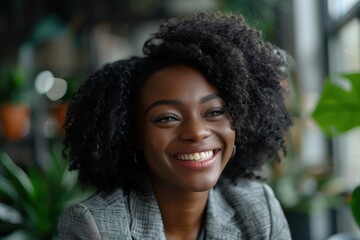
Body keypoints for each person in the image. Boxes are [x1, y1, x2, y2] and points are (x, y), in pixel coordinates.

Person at [58, 11, 293, 240]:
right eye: (168, 118)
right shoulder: (96, 227)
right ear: (134, 133)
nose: (196, 132)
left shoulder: (259, 209)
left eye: (214, 112)